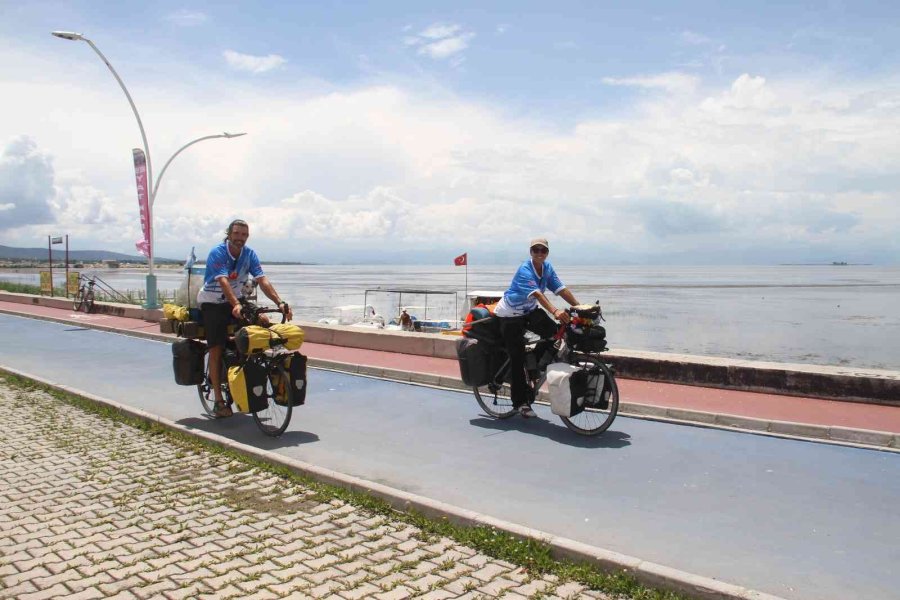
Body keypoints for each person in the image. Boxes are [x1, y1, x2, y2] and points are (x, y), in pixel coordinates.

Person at [197, 219, 293, 417]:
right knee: (216, 348)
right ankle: (218, 400)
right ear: (229, 234)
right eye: (237, 234)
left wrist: (280, 302)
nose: (240, 238)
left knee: (263, 322)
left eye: (244, 235)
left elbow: (262, 280)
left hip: (236, 300)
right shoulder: (218, 252)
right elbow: (223, 282)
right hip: (213, 302)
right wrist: (237, 304)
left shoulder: (249, 254)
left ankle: (244, 372)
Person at [494, 237, 580, 418]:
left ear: (547, 253)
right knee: (516, 357)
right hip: (510, 314)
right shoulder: (525, 269)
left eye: (543, 250)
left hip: (529, 310)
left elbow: (560, 289)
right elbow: (539, 295)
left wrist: (580, 308)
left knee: (556, 333)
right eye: (536, 250)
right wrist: (555, 311)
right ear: (531, 252)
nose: (540, 253)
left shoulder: (547, 268)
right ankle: (520, 403)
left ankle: (533, 363)